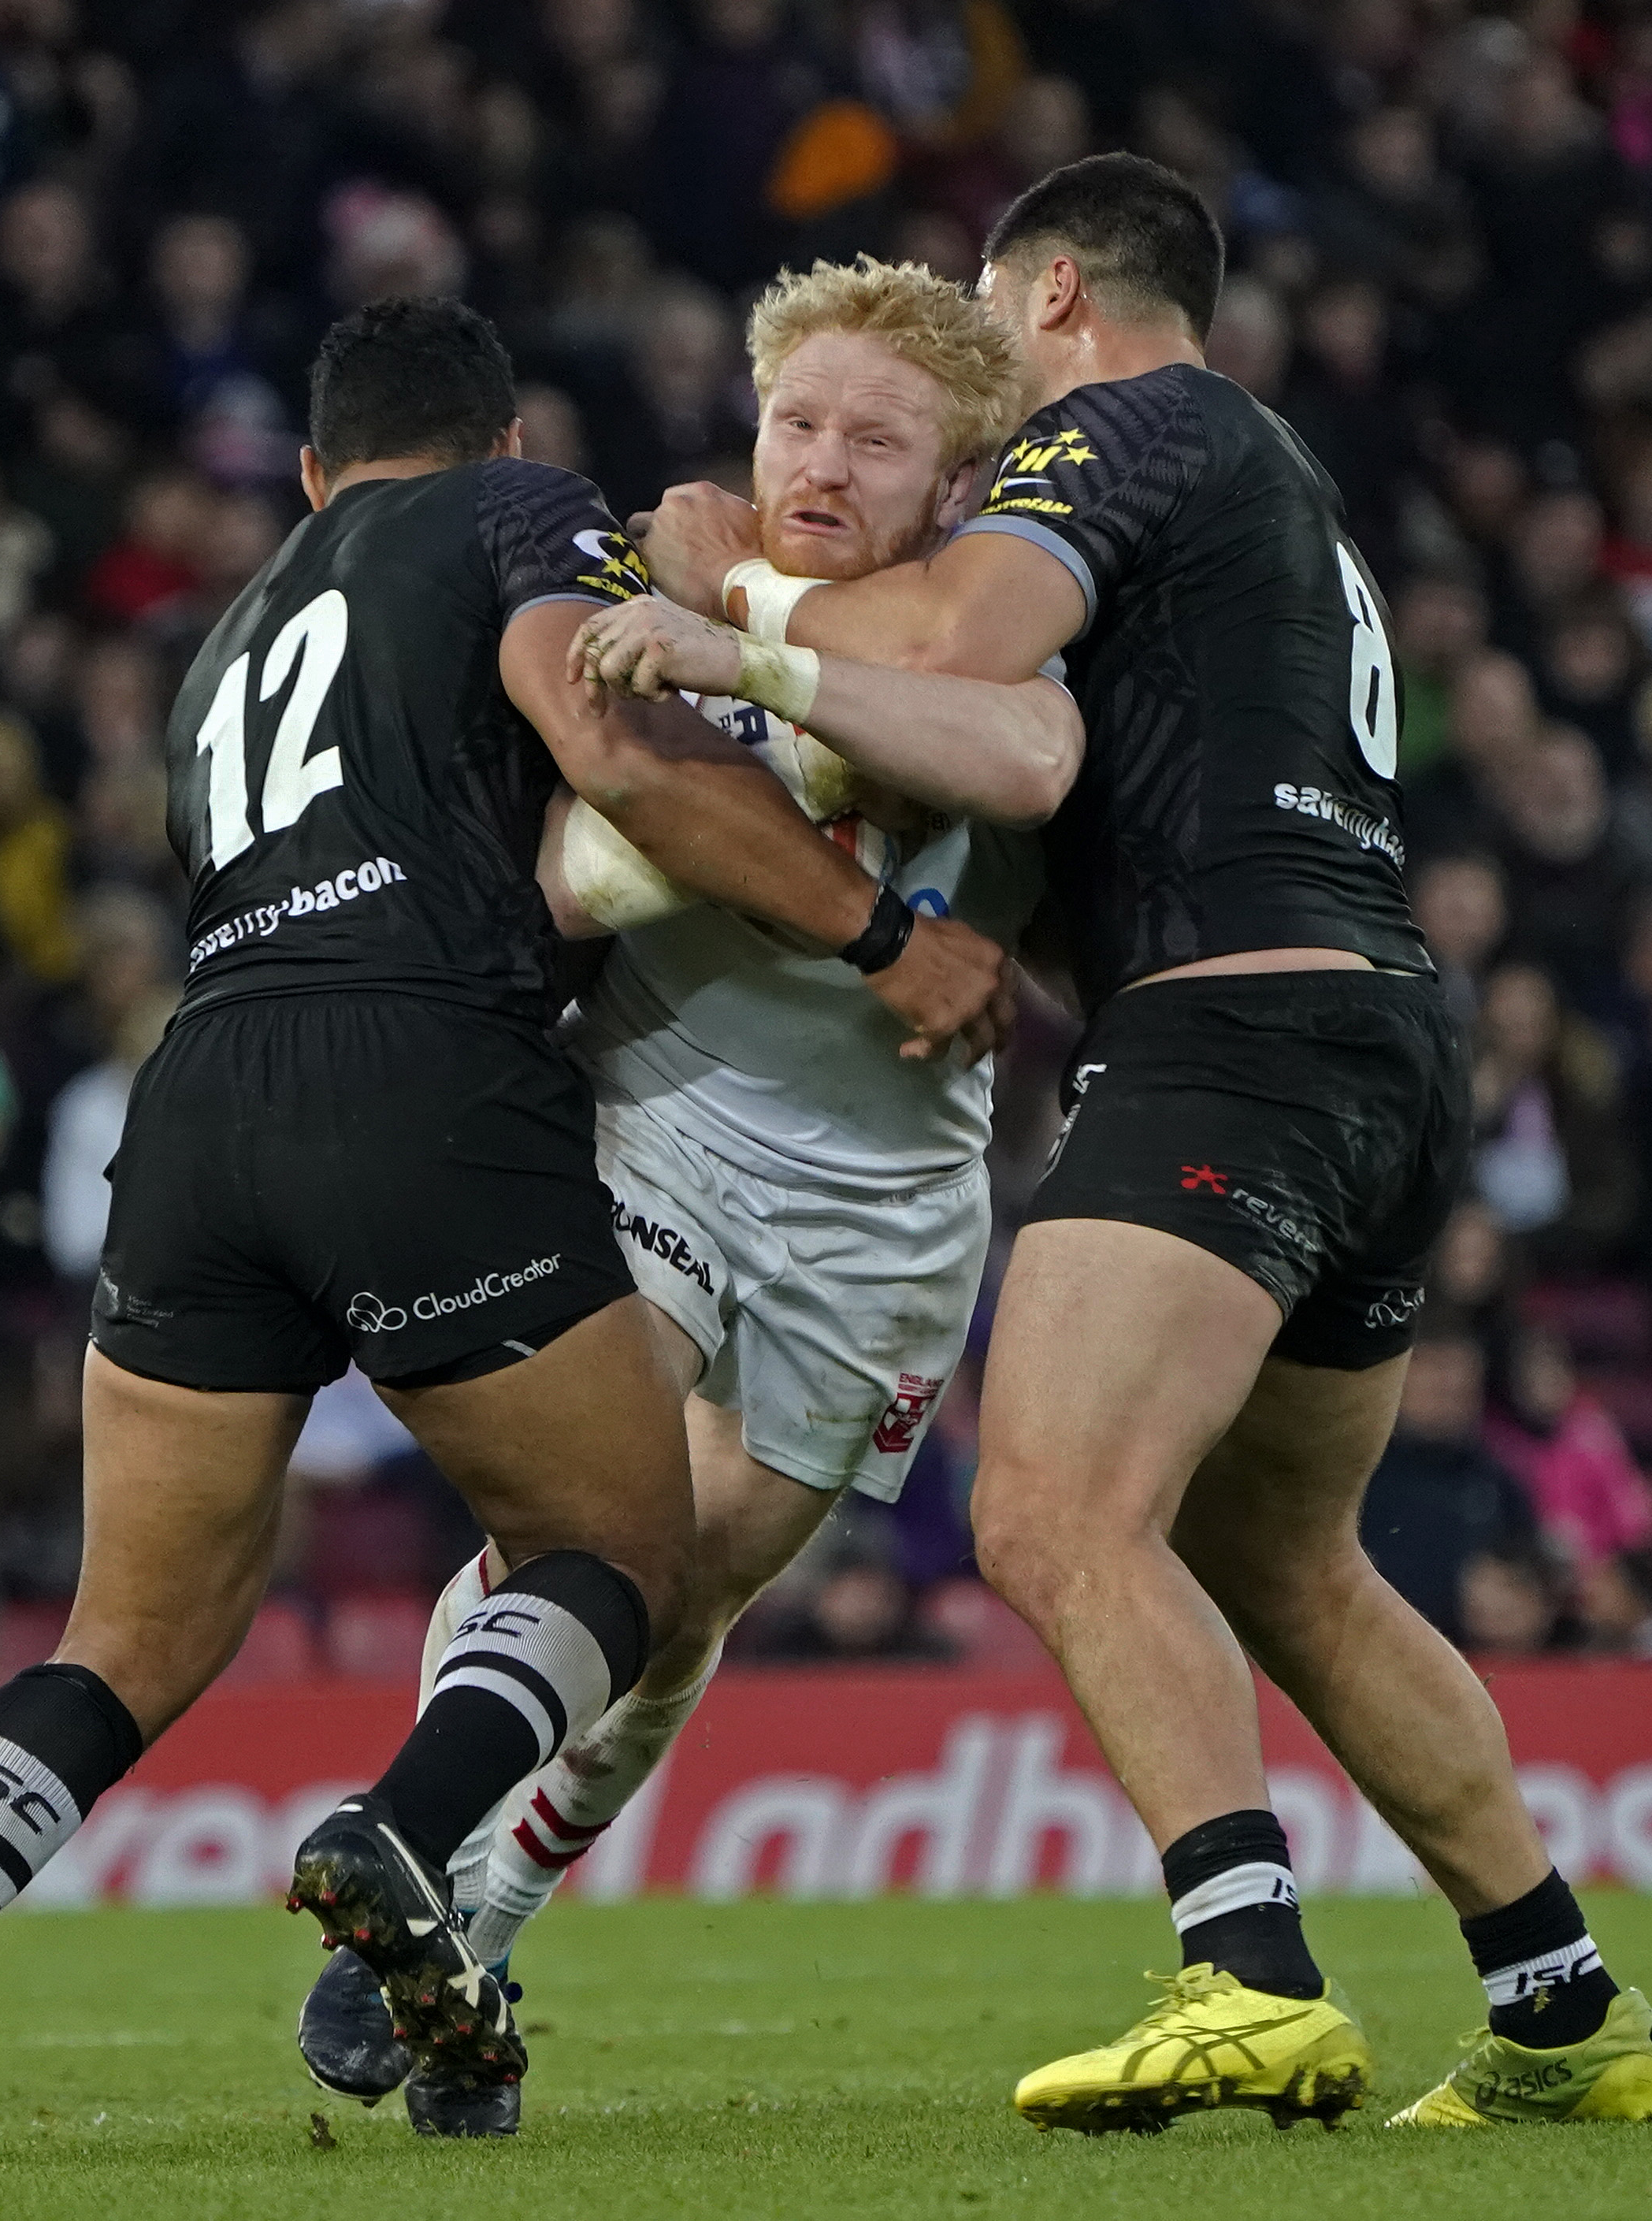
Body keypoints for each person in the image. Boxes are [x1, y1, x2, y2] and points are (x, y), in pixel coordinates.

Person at [574, 153, 1652, 2132]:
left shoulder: (1135, 421)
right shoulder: (1278, 489)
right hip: (1373, 1039)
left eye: (990, 326)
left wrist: (729, 586)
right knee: (1292, 1564)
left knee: (1051, 1513)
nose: (981, 396)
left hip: (1236, 1038)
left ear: (1059, 295)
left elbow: (965, 635)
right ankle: (1563, 2008)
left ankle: (1247, 1977)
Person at [0, 294, 1008, 2160]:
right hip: (416, 1076)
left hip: (197, 1098)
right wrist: (885, 933)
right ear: (503, 444)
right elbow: (625, 758)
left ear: (312, 473)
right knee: (614, 1552)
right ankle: (405, 1836)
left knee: (120, 1645)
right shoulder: (513, 514)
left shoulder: (223, 642)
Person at [294, 254, 1056, 2118]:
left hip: (888, 1215)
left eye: (879, 440)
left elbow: (990, 775)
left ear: (960, 479)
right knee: (589, 1528)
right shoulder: (626, 582)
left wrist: (743, 620)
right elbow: (566, 864)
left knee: (694, 1597)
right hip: (658, 1109)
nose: (823, 463)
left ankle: (491, 1923)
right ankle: (418, 1887)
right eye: (798, 420)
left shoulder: (1000, 625)